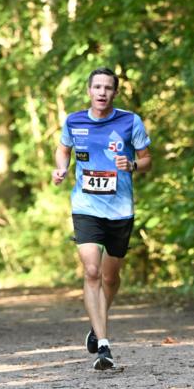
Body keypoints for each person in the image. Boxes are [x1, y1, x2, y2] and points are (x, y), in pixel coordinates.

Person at [52, 67, 152, 370]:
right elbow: (62, 150)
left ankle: (97, 326)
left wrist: (133, 163)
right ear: (89, 90)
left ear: (115, 93)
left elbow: (147, 160)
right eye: (97, 87)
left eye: (108, 88)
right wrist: (61, 168)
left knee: (110, 276)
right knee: (92, 271)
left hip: (120, 209)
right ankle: (104, 346)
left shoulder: (129, 121)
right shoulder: (74, 121)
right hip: (85, 206)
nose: (102, 92)